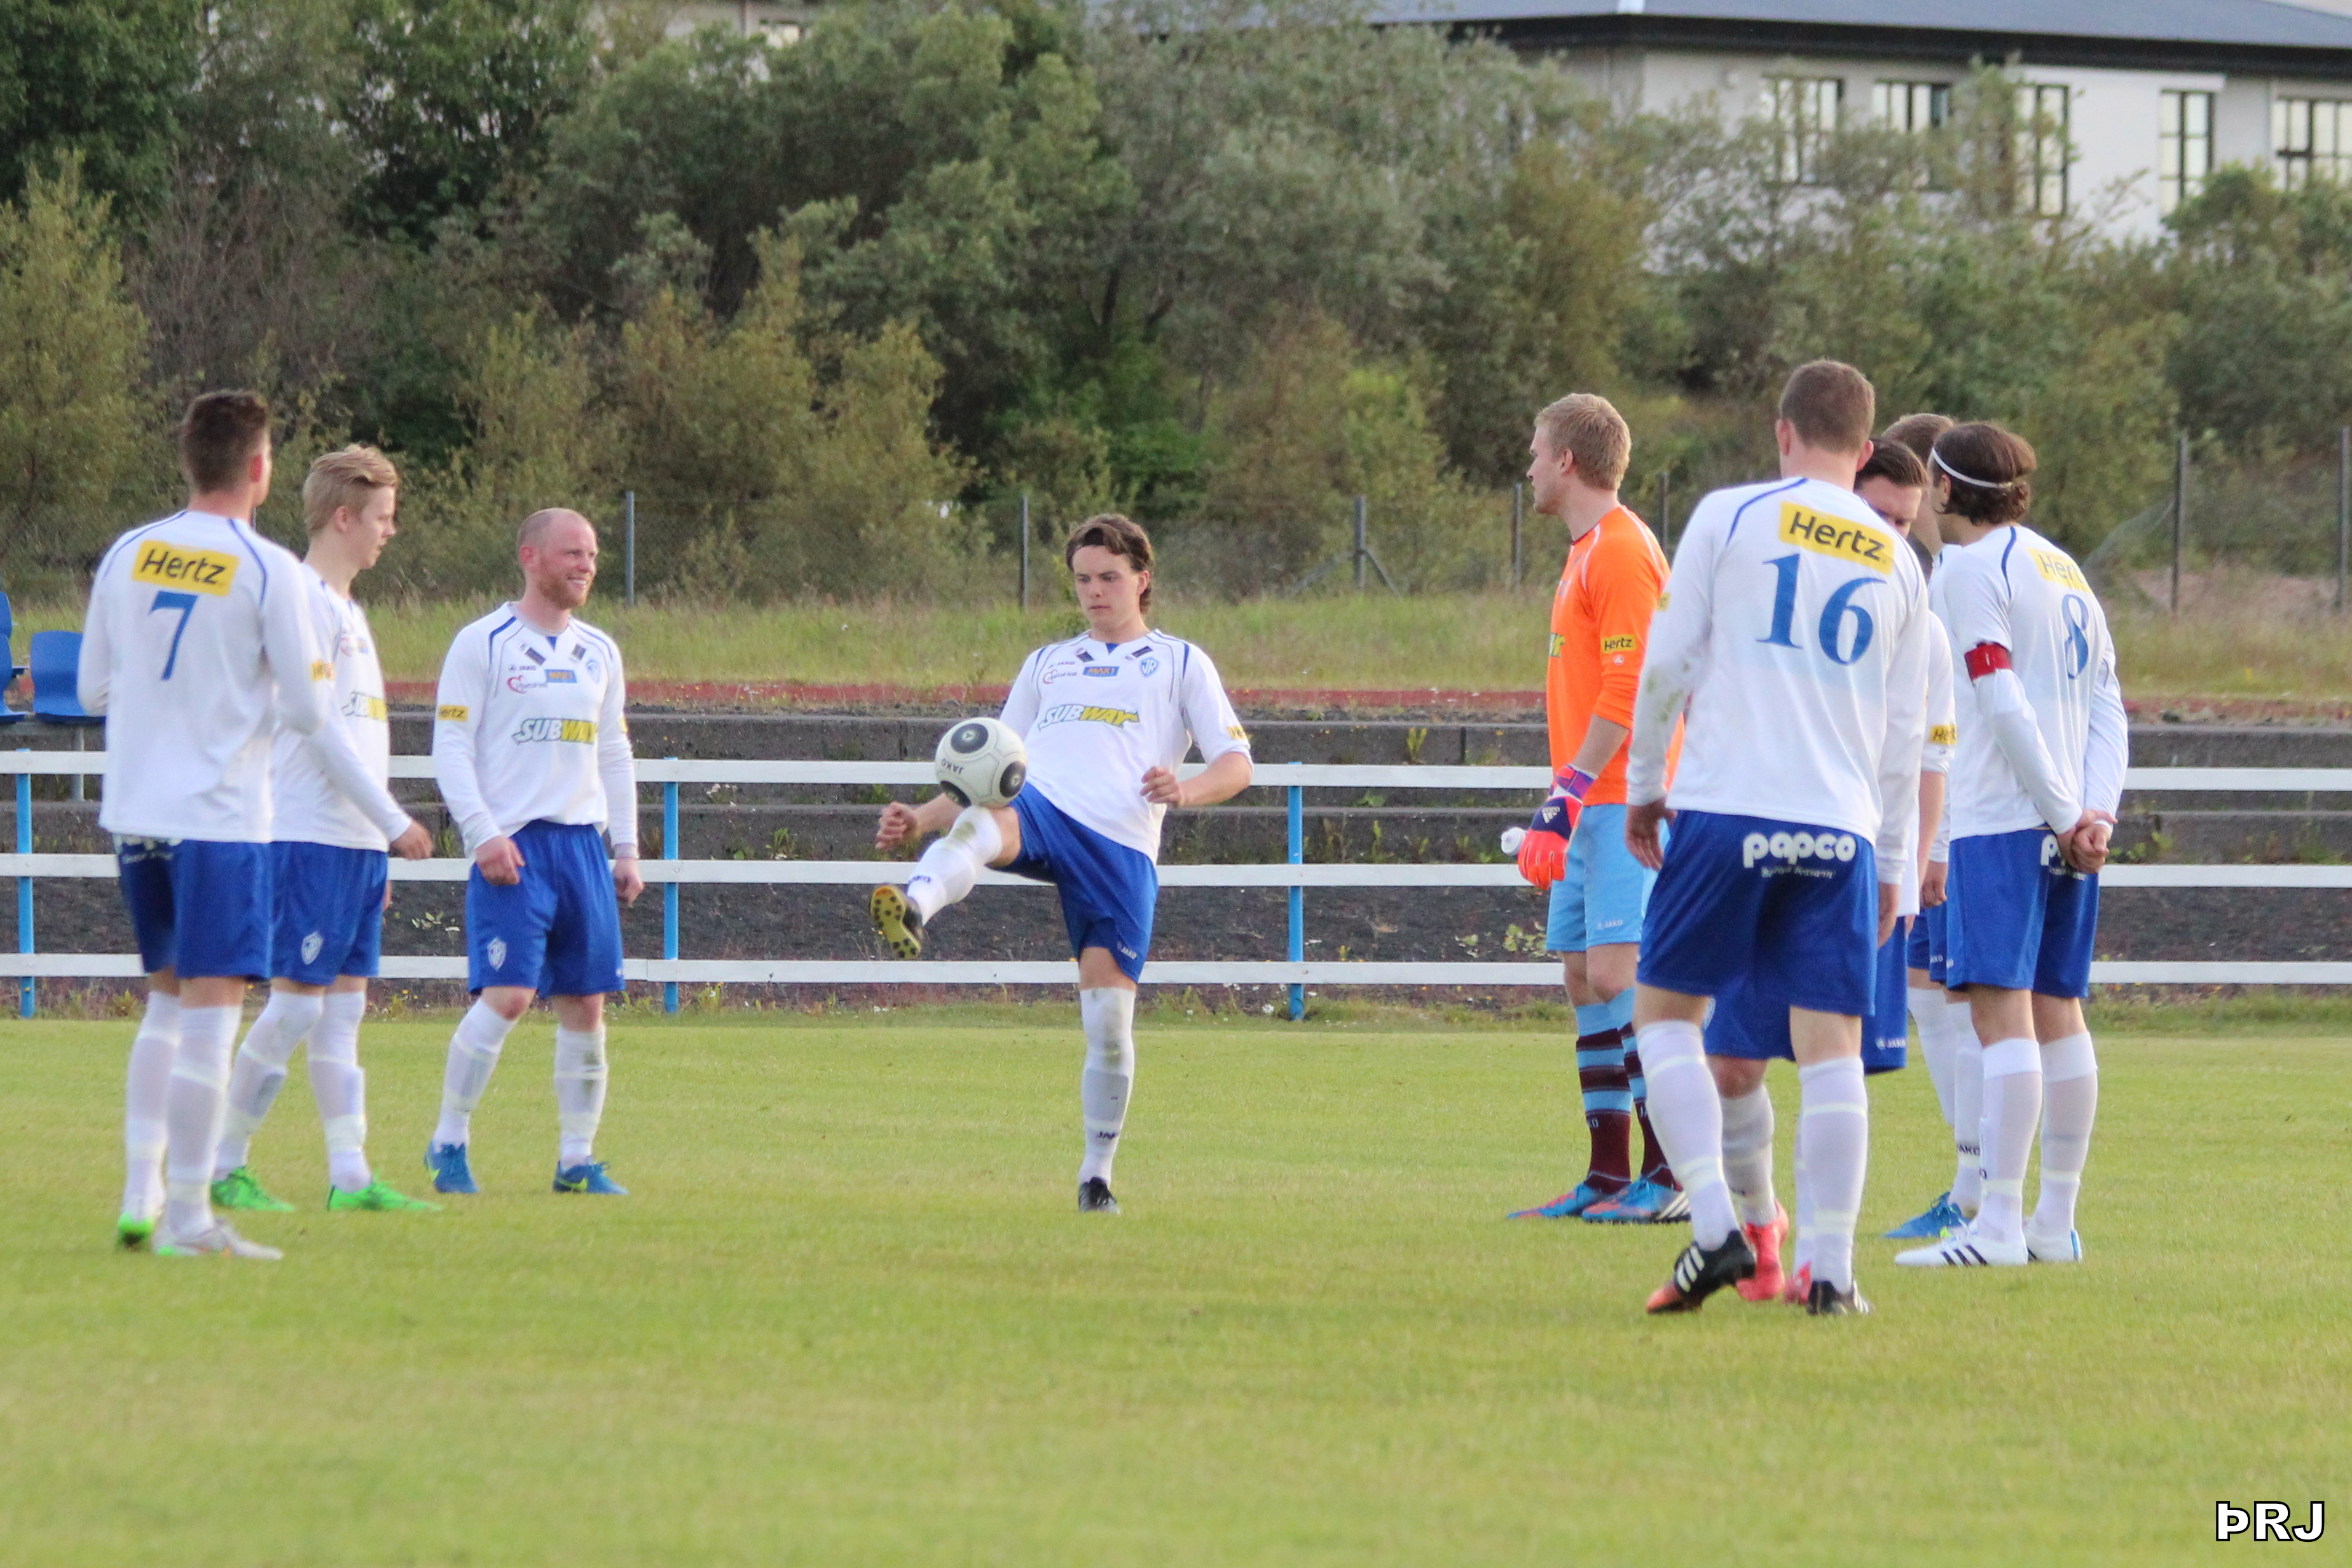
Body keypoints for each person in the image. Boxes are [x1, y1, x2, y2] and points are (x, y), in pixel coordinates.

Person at [1620, 361, 1932, 1317]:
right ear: (1866, 450)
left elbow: (1667, 660)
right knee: (1832, 1050)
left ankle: (1718, 1227)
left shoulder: (1731, 515)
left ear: (1782, 431)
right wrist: (1892, 863)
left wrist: (1644, 786)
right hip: (1839, 825)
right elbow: (1903, 735)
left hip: (1728, 805)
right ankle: (1831, 1272)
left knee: (1664, 1017)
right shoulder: (1899, 563)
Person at [869, 515, 1254, 1213]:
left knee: (1108, 1026)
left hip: (1120, 845)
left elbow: (1236, 764)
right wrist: (920, 818)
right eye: (1082, 579)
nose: (1094, 591)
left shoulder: (1180, 662)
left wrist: (1185, 789)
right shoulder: (1048, 663)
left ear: (1141, 579)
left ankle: (1095, 1176)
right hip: (1043, 807)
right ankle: (915, 905)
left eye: (1109, 577)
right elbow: (988, 770)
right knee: (986, 818)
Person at [1700, 437, 1956, 1302]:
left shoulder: (1913, 610)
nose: (1889, 533)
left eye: (1904, 523)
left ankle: (1824, 1261)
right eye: (1878, 513)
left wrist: (1909, 863)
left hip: (1848, 856)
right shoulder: (1766, 575)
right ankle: (1760, 1226)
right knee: (1732, 1065)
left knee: (1830, 1061)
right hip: (1750, 841)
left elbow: (1922, 752)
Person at [79, 390, 329, 1258]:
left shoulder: (128, 552)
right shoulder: (267, 568)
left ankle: (139, 1192)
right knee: (213, 1014)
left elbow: (93, 688)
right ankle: (190, 1215)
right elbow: (306, 710)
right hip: (220, 817)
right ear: (260, 467)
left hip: (137, 814)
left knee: (166, 1001)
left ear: (189, 460)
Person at [1897, 423, 2124, 1270]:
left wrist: (2064, 813)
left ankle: (1994, 1224)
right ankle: (2052, 1223)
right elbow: (2108, 704)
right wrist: (2094, 812)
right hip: (2066, 822)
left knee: (2000, 1016)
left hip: (2001, 817)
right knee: (2057, 1012)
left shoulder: (1965, 571)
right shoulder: (2062, 568)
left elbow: (1996, 700)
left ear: (1945, 489)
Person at [207, 446, 439, 1214]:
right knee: (298, 1006)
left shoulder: (351, 612)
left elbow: (362, 733)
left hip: (353, 847)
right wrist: (394, 821)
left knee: (343, 1014)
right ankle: (222, 1164)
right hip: (306, 836)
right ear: (344, 517)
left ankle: (351, 1177)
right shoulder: (301, 601)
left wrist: (375, 844)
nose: (389, 532)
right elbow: (320, 732)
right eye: (382, 518)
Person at [1503, 394, 1685, 1224]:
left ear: (1568, 461)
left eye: (1537, 452)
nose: (1530, 467)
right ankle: (1608, 1173)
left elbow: (1632, 685)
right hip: (1584, 804)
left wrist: (1570, 791)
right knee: (1583, 979)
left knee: (1620, 974)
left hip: (1619, 800)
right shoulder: (1585, 551)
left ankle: (1671, 1171)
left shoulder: (1619, 550)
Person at [425, 509, 643, 1197]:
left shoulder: (599, 650)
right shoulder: (483, 643)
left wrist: (626, 847)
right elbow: (450, 746)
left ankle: (576, 1160)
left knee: (587, 1005)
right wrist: (482, 832)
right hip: (514, 845)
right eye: (572, 552)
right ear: (530, 556)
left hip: (581, 846)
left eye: (593, 554)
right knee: (510, 996)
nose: (586, 565)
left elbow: (614, 751)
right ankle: (448, 1142)